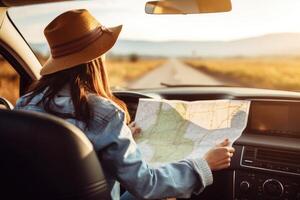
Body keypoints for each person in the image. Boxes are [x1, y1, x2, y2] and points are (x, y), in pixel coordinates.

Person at [15, 9, 235, 200]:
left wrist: (120, 135)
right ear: (96, 61)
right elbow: (146, 185)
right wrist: (203, 165)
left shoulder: (25, 104)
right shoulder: (103, 113)